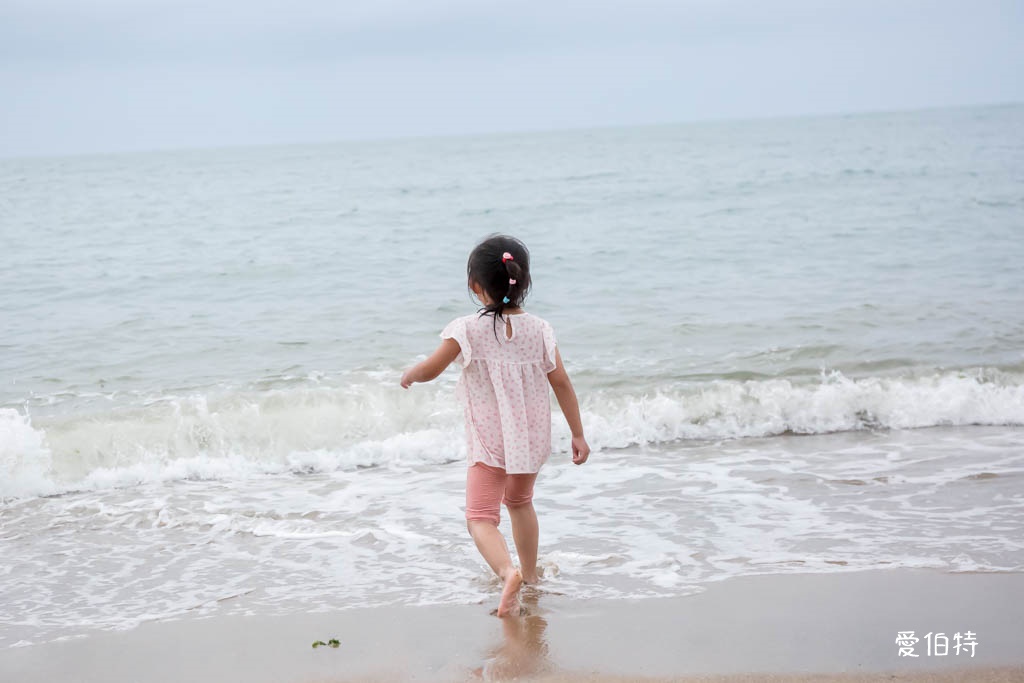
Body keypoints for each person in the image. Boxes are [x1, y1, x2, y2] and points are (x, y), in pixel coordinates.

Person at [400, 234, 590, 617]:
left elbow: (432, 368)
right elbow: (562, 382)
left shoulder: (466, 330)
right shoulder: (540, 330)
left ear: (475, 285)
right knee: (520, 502)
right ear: (523, 281)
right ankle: (532, 574)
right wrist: (578, 433)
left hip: (490, 442)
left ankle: (508, 573)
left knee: (480, 518)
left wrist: (411, 375)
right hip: (531, 437)